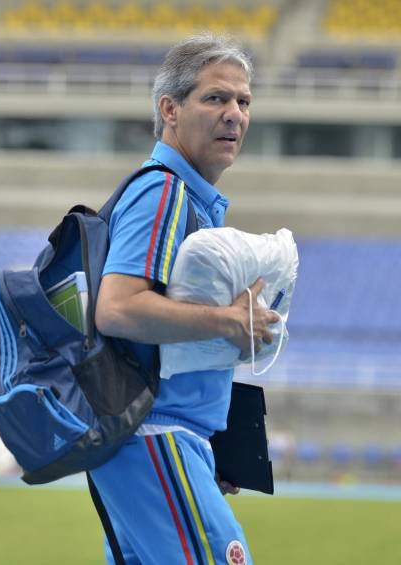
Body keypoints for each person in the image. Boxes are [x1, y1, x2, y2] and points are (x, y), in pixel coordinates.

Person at [89, 34, 278, 565]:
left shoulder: (188, 197)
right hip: (155, 434)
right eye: (216, 98)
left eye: (243, 101)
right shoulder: (165, 190)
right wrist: (228, 322)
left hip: (162, 437)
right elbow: (117, 308)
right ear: (169, 110)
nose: (234, 114)